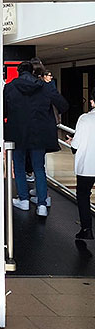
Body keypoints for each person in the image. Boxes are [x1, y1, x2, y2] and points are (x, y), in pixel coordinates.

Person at [4, 61, 69, 217]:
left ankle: (24, 200)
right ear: (32, 72)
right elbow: (63, 105)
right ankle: (42, 204)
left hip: (17, 133)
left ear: (19, 72)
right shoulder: (44, 86)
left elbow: (4, 112)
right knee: (39, 168)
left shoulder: (10, 87)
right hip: (39, 134)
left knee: (18, 167)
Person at [68, 88, 95, 240]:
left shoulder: (85, 118)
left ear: (92, 102)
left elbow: (76, 145)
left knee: (83, 195)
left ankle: (87, 229)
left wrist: (72, 142)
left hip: (87, 166)